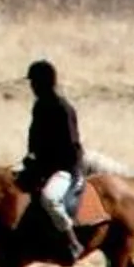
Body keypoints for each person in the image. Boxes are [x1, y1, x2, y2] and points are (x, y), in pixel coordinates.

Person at [15, 57, 85, 256]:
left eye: (34, 82)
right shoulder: (39, 106)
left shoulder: (63, 109)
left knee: (50, 199)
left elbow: (71, 147)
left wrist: (45, 165)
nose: (31, 87)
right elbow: (35, 139)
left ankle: (72, 241)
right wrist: (30, 158)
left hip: (65, 169)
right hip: (42, 167)